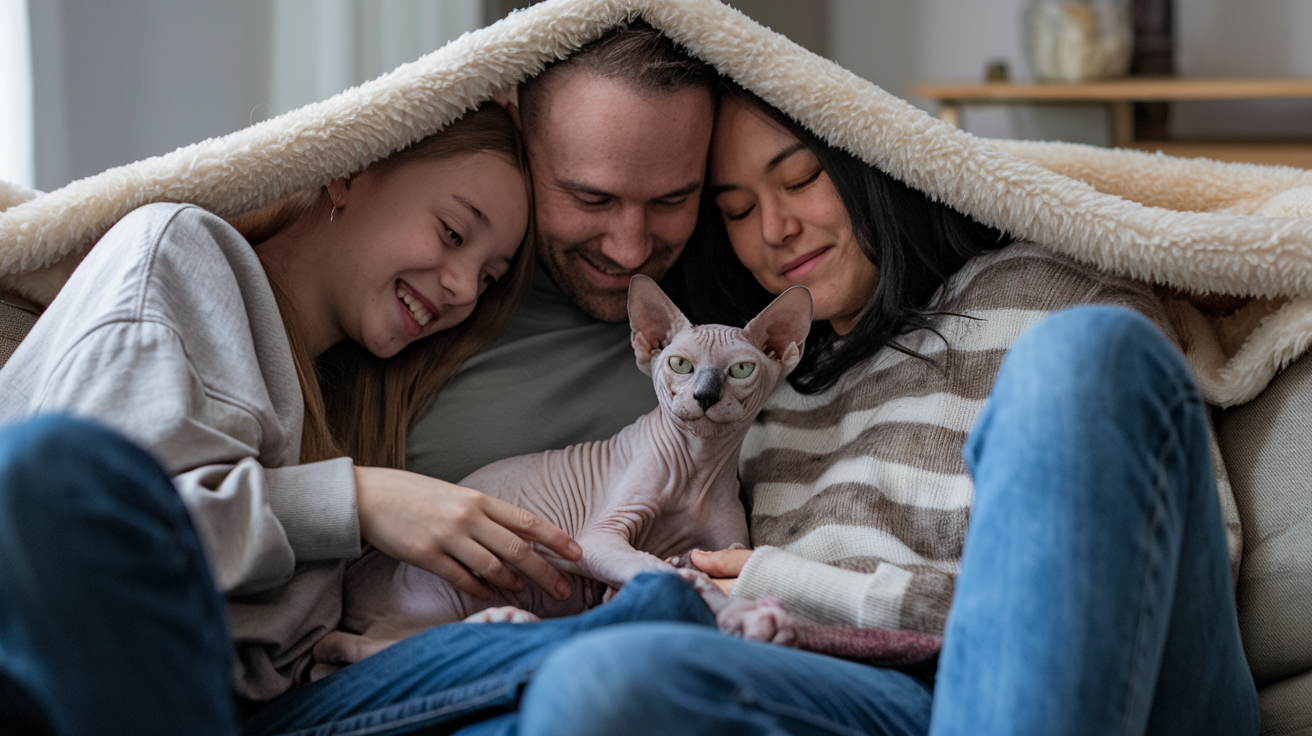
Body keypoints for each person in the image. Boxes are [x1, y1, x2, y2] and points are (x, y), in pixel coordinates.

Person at [505, 84, 1260, 734]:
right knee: (598, 682)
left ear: (870, 152)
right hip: (864, 697)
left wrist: (805, 589)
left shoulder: (1045, 291)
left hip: (1059, 672)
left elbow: (1140, 578)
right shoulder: (761, 390)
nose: (775, 230)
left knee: (1091, 350)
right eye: (736, 210)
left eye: (801, 178)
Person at [0, 103, 589, 734]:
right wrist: (356, 498)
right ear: (351, 173)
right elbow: (105, 528)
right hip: (119, 671)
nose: (465, 290)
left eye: (489, 277)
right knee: (45, 463)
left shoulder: (341, 402)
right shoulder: (180, 249)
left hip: (282, 707)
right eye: (452, 232)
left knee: (630, 648)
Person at [405, 20, 716, 482]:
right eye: (591, 199)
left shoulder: (740, 288)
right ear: (515, 127)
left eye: (672, 200)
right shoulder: (421, 288)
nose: (630, 253)